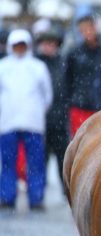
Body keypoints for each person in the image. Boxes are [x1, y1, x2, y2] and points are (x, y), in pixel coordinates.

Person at [0, 29, 52, 210]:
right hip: (8, 122)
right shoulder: (2, 66)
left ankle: (36, 198)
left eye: (22, 45)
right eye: (16, 45)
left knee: (36, 163)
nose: (19, 48)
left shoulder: (38, 67)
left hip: (33, 122)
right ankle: (7, 196)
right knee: (7, 162)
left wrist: (37, 111)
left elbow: (47, 95)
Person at [64, 13, 101, 138]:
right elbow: (67, 80)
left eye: (89, 28)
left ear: (95, 27)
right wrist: (71, 100)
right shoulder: (74, 54)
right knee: (80, 144)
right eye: (83, 30)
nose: (87, 33)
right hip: (79, 107)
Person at [35, 28, 69, 185]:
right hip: (39, 119)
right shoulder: (34, 64)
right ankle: (38, 190)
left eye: (52, 43)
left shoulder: (64, 63)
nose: (49, 46)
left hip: (60, 117)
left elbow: (69, 86)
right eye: (46, 43)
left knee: (63, 157)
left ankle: (66, 190)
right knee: (39, 158)